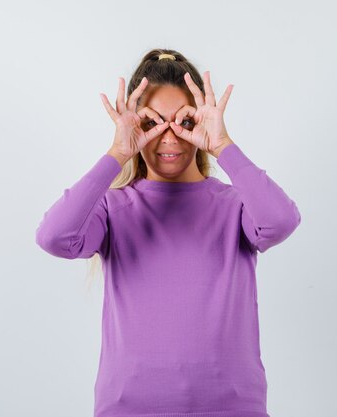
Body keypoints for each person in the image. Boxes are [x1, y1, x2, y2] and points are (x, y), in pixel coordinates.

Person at [35, 49, 301, 417]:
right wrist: (117, 152)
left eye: (185, 123)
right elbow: (54, 237)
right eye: (153, 123)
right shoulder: (113, 208)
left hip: (231, 409)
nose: (170, 137)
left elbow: (280, 221)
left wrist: (224, 147)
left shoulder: (234, 206)